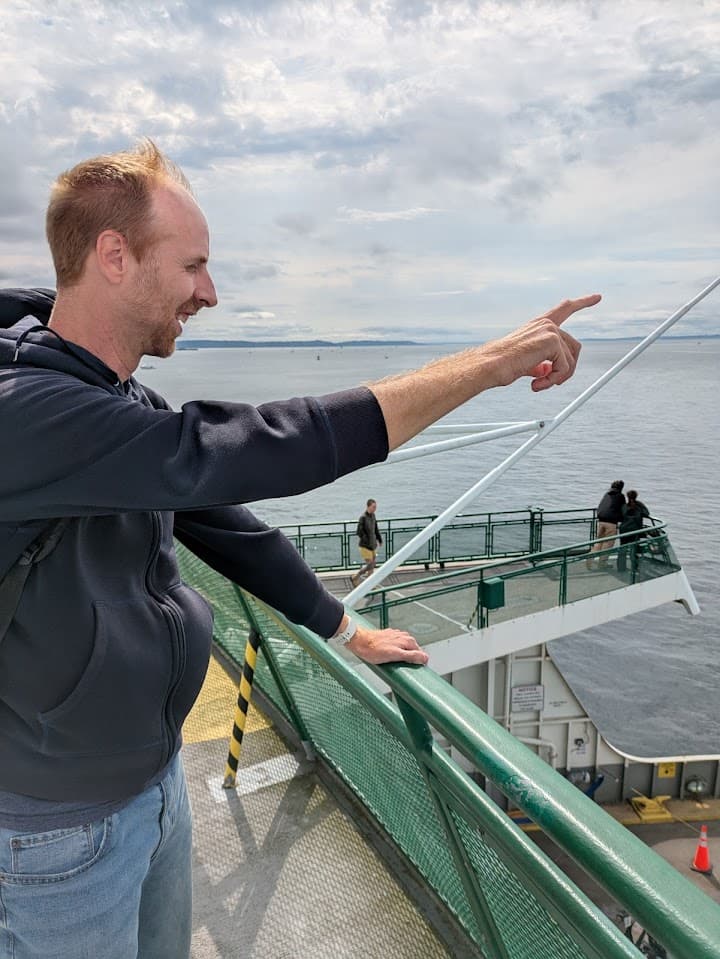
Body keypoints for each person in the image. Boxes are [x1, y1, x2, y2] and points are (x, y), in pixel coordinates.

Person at [0, 139, 599, 959]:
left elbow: (227, 522)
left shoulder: (112, 399)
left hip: (152, 782)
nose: (209, 291)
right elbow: (264, 447)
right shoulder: (31, 416)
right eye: (194, 265)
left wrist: (347, 629)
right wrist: (488, 365)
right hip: (54, 833)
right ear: (114, 255)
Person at [586, 479, 625, 569]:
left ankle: (590, 556)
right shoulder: (620, 496)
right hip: (611, 522)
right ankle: (602, 564)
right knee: (608, 544)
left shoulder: (606, 494)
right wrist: (622, 519)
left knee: (599, 541)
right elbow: (623, 509)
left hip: (600, 521)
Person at [616, 489, 650, 572]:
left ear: (627, 497)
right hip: (635, 530)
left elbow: (620, 516)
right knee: (634, 550)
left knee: (622, 549)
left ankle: (621, 568)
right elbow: (646, 513)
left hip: (624, 529)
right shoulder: (639, 506)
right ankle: (634, 569)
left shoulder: (624, 506)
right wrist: (641, 505)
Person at [351, 498, 382, 586]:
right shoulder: (363, 517)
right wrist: (366, 539)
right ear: (368, 506)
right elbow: (359, 532)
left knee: (372, 565)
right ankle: (355, 577)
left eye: (375, 507)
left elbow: (375, 528)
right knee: (370, 565)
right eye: (373, 507)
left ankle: (370, 584)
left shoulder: (373, 516)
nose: (375, 509)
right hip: (365, 546)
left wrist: (379, 539)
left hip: (373, 545)